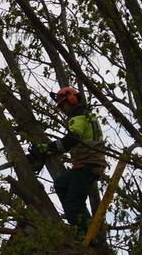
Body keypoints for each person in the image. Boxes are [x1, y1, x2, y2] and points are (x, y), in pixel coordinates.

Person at [39, 86, 108, 234]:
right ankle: (79, 225)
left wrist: (47, 148)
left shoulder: (78, 118)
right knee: (61, 184)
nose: (62, 109)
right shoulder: (87, 116)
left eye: (63, 104)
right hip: (86, 164)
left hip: (88, 165)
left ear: (71, 100)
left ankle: (84, 233)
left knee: (74, 202)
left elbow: (71, 140)